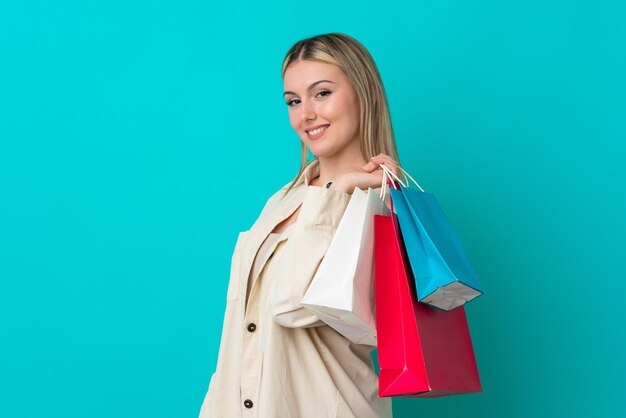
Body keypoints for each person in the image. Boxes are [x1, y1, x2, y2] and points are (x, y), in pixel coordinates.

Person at [198, 32, 405, 418]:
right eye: (293, 101)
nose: (305, 114)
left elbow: (291, 308)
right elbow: (240, 333)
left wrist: (341, 188)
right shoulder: (284, 199)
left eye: (321, 93)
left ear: (367, 94)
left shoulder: (379, 204)